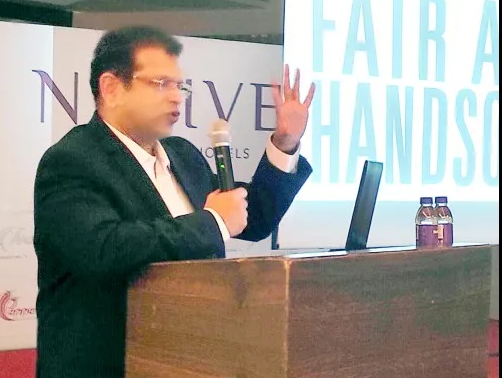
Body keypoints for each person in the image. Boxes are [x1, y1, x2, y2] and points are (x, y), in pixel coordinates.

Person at [33, 25, 316, 378]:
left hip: (192, 359)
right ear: (111, 88)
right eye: (160, 84)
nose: (177, 97)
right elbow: (103, 249)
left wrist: (286, 141)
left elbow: (250, 218)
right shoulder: (72, 161)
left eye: (179, 86)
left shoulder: (183, 155)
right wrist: (213, 222)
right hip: (109, 364)